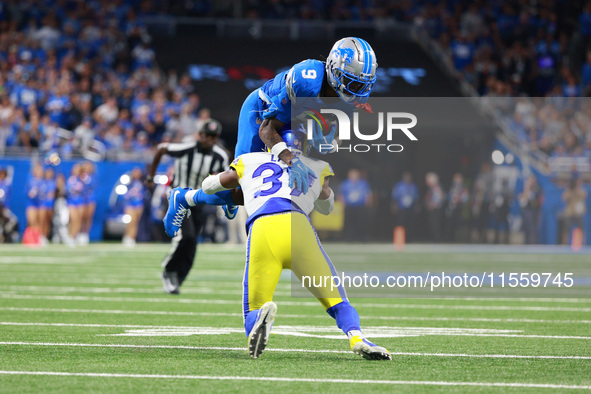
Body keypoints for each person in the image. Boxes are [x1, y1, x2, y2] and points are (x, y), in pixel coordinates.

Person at [163, 129, 391, 361]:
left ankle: (260, 319)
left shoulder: (250, 160)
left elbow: (210, 185)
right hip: (300, 229)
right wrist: (321, 189)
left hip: (265, 228)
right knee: (338, 300)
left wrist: (229, 190)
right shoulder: (315, 165)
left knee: (253, 307)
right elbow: (326, 206)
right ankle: (357, 337)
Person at [234, 37, 378, 195]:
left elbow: (338, 134)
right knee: (241, 182)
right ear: (333, 69)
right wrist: (292, 160)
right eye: (351, 82)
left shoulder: (356, 98)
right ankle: (206, 194)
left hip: (298, 124)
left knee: (290, 187)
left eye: (362, 85)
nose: (356, 90)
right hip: (262, 112)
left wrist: (330, 144)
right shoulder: (306, 82)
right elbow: (267, 129)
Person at [147, 119, 229, 294]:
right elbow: (162, 148)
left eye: (214, 137)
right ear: (201, 135)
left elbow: (225, 176)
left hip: (199, 201)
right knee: (187, 237)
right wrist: (150, 177)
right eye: (208, 136)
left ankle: (177, 278)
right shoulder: (187, 148)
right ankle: (169, 270)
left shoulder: (219, 156)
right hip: (178, 199)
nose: (210, 140)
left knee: (192, 245)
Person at [338, 169, 373, 241]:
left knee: (361, 223)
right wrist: (342, 204)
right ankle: (349, 238)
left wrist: (368, 204)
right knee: (349, 223)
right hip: (349, 207)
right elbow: (341, 195)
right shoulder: (345, 184)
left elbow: (368, 194)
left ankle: (361, 238)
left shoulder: (363, 184)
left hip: (360, 207)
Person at [391, 171, 419, 241]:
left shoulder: (413, 186)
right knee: (400, 224)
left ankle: (409, 239)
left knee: (410, 224)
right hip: (401, 208)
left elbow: (416, 197)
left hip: (410, 209)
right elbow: (395, 197)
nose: (407, 178)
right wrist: (394, 205)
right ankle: (399, 239)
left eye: (409, 177)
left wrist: (416, 206)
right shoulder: (399, 186)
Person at [122, 168, 145, 247]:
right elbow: (125, 194)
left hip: (139, 204)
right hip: (130, 204)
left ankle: (133, 237)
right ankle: (127, 236)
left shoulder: (142, 182)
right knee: (131, 221)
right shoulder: (129, 182)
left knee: (136, 222)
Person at [562, 177, 587, 244]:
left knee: (580, 228)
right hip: (569, 212)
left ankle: (582, 243)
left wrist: (576, 188)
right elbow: (564, 198)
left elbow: (584, 195)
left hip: (578, 213)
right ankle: (564, 243)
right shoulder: (569, 191)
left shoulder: (581, 190)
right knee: (566, 229)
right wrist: (569, 189)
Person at [66, 164, 84, 245]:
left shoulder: (83, 179)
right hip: (71, 201)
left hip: (80, 201)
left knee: (79, 220)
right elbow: (67, 190)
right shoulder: (70, 179)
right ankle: (71, 236)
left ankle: (75, 236)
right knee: (73, 219)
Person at [80, 162, 97, 245]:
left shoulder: (93, 177)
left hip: (90, 199)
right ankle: (80, 233)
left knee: (88, 217)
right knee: (81, 217)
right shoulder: (80, 177)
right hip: (82, 199)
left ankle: (85, 234)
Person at [39, 168, 56, 244]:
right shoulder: (42, 182)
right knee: (42, 220)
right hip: (42, 204)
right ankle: (40, 236)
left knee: (48, 221)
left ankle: (45, 236)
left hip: (50, 205)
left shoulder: (53, 183)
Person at [26, 163, 44, 231]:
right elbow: (29, 194)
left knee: (40, 222)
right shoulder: (30, 181)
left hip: (41, 204)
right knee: (32, 221)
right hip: (32, 203)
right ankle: (32, 237)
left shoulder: (43, 181)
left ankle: (39, 237)